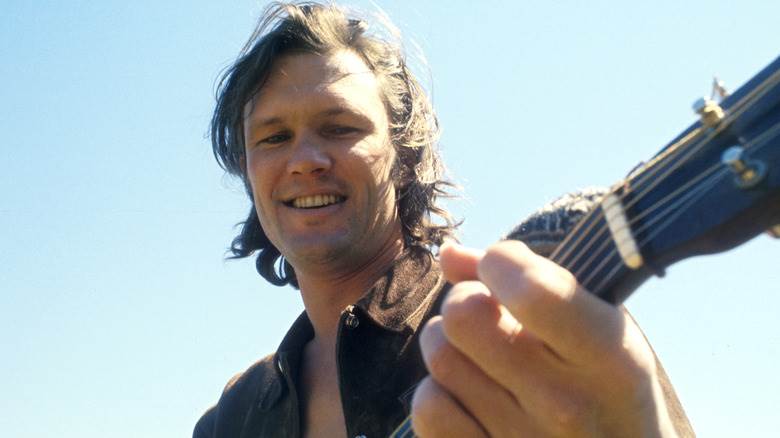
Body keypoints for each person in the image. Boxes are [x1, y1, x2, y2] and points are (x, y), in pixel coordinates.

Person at [194, 2, 694, 437]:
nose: (305, 159)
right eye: (273, 138)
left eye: (340, 127)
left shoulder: (524, 319)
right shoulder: (230, 419)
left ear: (403, 157)